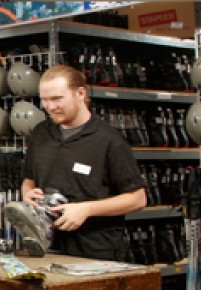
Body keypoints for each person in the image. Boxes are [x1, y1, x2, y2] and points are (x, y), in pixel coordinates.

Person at [10, 64, 146, 260]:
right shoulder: (40, 133)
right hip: (48, 247)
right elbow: (29, 180)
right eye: (45, 100)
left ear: (80, 94)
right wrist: (27, 194)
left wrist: (87, 209)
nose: (50, 107)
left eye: (57, 99)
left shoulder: (108, 140)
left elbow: (137, 199)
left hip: (95, 250)